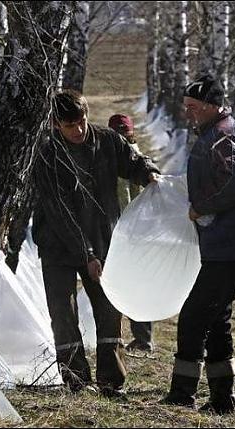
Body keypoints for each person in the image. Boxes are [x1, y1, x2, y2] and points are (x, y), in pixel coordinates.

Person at [32, 90, 160, 398]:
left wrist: (149, 172)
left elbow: (133, 161)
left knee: (108, 309)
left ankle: (110, 380)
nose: (77, 131)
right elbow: (60, 212)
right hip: (57, 245)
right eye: (69, 126)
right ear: (55, 124)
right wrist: (86, 253)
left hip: (103, 239)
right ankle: (76, 381)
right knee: (63, 311)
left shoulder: (107, 140)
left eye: (81, 122)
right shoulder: (48, 156)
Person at [161, 75, 235, 414]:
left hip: (231, 245)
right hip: (225, 245)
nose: (189, 114)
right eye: (187, 108)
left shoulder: (222, 138)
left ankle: (183, 395)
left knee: (194, 317)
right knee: (216, 319)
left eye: (194, 108)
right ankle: (224, 401)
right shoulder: (216, 133)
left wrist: (202, 206)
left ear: (212, 106)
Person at [108, 113, 155, 354]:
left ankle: (143, 338)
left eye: (123, 133)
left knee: (135, 285)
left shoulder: (136, 160)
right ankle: (136, 337)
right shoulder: (111, 157)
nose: (120, 138)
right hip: (124, 230)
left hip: (133, 231)